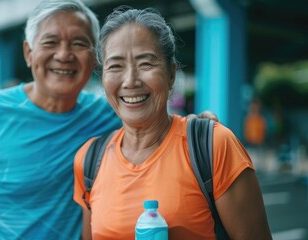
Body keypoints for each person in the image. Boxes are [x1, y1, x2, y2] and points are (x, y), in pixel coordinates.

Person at [0, 1, 217, 239]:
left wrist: (192, 123)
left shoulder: (108, 113)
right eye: (50, 42)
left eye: (79, 44)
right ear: (28, 53)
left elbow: (152, 119)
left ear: (94, 59)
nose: (64, 55)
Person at [73, 8, 272, 240]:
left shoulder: (213, 146)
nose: (130, 81)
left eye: (146, 63)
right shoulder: (89, 161)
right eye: (115, 66)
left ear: (171, 75)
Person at [244, 98, 266, 170]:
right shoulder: (248, 119)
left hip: (258, 143)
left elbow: (263, 131)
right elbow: (246, 131)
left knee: (259, 163)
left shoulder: (260, 119)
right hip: (250, 143)